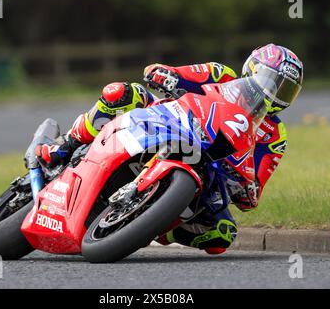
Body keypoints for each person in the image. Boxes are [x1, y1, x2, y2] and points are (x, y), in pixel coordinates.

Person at [35, 43, 304, 254]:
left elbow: (255, 186)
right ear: (254, 69)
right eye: (272, 81)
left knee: (222, 234)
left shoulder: (275, 135)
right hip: (169, 123)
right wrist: (166, 75)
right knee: (123, 93)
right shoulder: (220, 74)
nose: (275, 93)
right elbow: (170, 72)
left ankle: (155, 227)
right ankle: (66, 145)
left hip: (208, 168)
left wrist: (247, 190)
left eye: (286, 90)